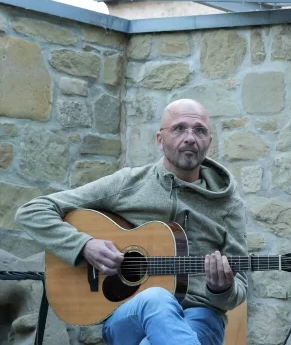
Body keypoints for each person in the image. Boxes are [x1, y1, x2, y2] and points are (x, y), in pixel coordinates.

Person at [16, 99, 247, 345]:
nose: (190, 137)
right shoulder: (128, 183)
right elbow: (32, 211)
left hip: (200, 315)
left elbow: (240, 287)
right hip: (129, 316)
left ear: (208, 142)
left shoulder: (228, 204)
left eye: (199, 130)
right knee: (155, 298)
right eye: (179, 128)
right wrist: (84, 246)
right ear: (160, 139)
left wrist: (222, 289)